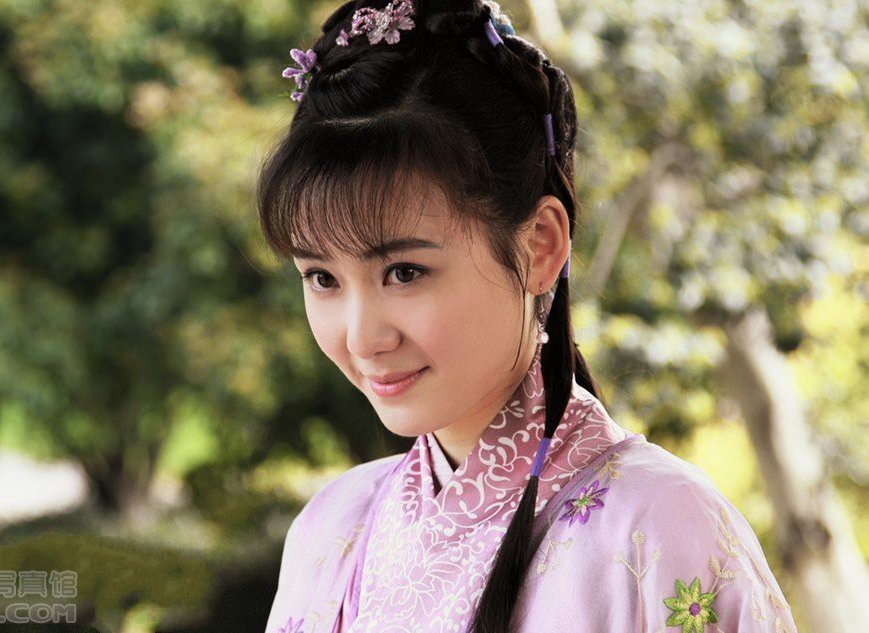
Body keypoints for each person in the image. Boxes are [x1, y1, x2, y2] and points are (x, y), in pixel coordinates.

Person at [257, 1, 799, 631]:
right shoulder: (331, 528)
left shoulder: (660, 529)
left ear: (541, 245)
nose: (362, 337)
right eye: (321, 278)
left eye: (404, 272)